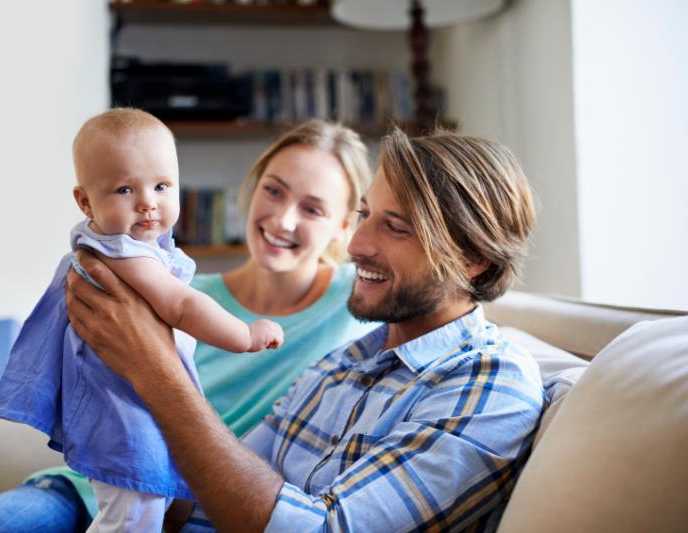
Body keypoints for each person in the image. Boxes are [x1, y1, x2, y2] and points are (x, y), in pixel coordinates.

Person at [61, 125, 544, 531]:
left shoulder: (491, 383)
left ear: (473, 259)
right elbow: (203, 492)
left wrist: (153, 369)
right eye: (365, 216)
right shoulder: (342, 365)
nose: (356, 245)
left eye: (395, 227)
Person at [0, 119, 376, 532]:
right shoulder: (172, 288)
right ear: (252, 189)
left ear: (344, 226)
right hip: (95, 481)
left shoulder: (356, 302)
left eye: (313, 209)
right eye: (274, 191)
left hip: (190, 507)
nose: (283, 219)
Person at [0, 108, 284, 532]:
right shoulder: (125, 254)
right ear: (86, 201)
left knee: (141, 509)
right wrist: (246, 334)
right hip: (123, 417)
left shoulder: (120, 244)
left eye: (162, 185)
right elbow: (181, 306)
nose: (147, 202)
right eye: (125, 189)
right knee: (133, 515)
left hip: (129, 412)